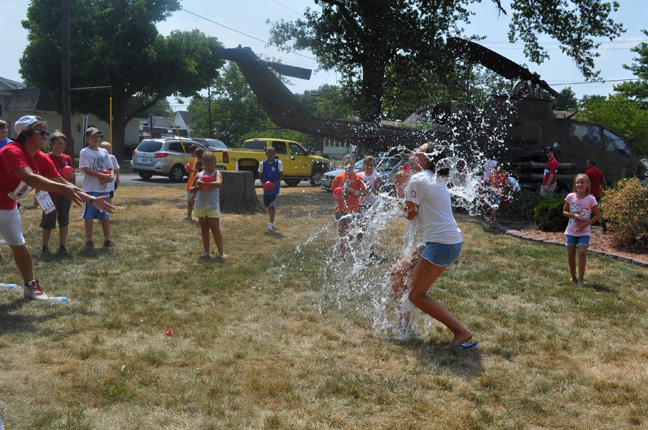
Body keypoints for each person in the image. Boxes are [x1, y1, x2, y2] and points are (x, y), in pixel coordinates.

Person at [0, 116, 113, 300]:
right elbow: (30, 178)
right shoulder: (12, 151)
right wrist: (64, 188)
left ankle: (30, 287)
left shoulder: (41, 158)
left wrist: (91, 200)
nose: (46, 136)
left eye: (46, 132)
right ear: (27, 134)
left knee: (19, 245)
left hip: (7, 207)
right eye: (42, 132)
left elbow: (63, 183)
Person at [390, 141, 477, 349]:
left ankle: (461, 332)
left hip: (441, 243)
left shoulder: (419, 180)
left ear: (425, 158)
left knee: (416, 295)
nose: (413, 151)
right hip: (438, 240)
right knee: (397, 273)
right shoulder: (431, 178)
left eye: (418, 150)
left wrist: (396, 189)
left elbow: (409, 215)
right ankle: (404, 323)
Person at [79, 127, 115, 248]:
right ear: (87, 138)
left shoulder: (104, 152)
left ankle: (107, 239)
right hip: (90, 189)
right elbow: (86, 169)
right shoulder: (84, 152)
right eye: (94, 137)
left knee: (105, 215)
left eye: (98, 136)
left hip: (104, 189)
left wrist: (110, 176)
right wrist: (101, 175)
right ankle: (89, 241)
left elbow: (110, 168)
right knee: (89, 216)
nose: (97, 139)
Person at [39, 132, 74, 254]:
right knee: (47, 222)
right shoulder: (46, 157)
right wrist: (37, 194)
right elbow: (40, 177)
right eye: (59, 143)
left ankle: (62, 246)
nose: (62, 146)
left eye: (64, 144)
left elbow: (70, 176)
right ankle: (44, 246)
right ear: (51, 143)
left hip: (64, 195)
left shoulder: (67, 158)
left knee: (64, 221)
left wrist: (72, 179)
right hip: (49, 195)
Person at [562, 174, 600, 287]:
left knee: (582, 253)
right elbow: (564, 212)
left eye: (582, 182)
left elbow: (597, 215)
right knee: (570, 253)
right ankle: (573, 276)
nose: (579, 184)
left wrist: (585, 225)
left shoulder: (591, 199)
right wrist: (573, 215)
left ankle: (581, 279)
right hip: (571, 231)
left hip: (584, 231)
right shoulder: (570, 197)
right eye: (577, 182)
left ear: (588, 184)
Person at [190, 151, 226, 259]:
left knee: (215, 228)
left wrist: (204, 184)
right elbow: (191, 190)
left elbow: (218, 184)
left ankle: (221, 253)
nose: (209, 163)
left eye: (211, 161)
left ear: (214, 162)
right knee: (204, 228)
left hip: (212, 205)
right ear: (203, 163)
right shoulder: (198, 175)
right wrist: (197, 187)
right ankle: (206, 252)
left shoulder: (217, 173)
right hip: (200, 204)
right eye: (206, 161)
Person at [331, 154, 366, 258]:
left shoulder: (358, 177)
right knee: (342, 230)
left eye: (351, 163)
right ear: (343, 164)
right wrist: (338, 196)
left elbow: (362, 193)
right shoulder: (339, 177)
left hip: (353, 208)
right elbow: (334, 192)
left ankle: (350, 250)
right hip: (340, 208)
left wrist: (352, 190)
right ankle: (342, 251)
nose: (349, 165)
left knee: (350, 229)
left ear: (354, 164)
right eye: (347, 163)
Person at [258, 146, 283, 233]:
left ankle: (270, 226)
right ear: (266, 153)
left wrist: (275, 184)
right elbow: (260, 176)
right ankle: (273, 222)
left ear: (275, 154)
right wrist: (263, 185)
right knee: (268, 206)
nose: (270, 154)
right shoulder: (263, 164)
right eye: (269, 152)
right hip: (267, 189)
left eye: (272, 152)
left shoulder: (278, 163)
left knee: (272, 206)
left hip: (274, 189)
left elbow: (281, 175)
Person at [184, 144, 202, 221]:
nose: (191, 155)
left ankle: (201, 217)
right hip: (191, 182)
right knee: (189, 200)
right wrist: (190, 170)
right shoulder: (196, 159)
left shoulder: (199, 161)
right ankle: (189, 216)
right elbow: (194, 172)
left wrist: (190, 170)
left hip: (194, 183)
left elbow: (197, 173)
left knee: (193, 201)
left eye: (192, 153)